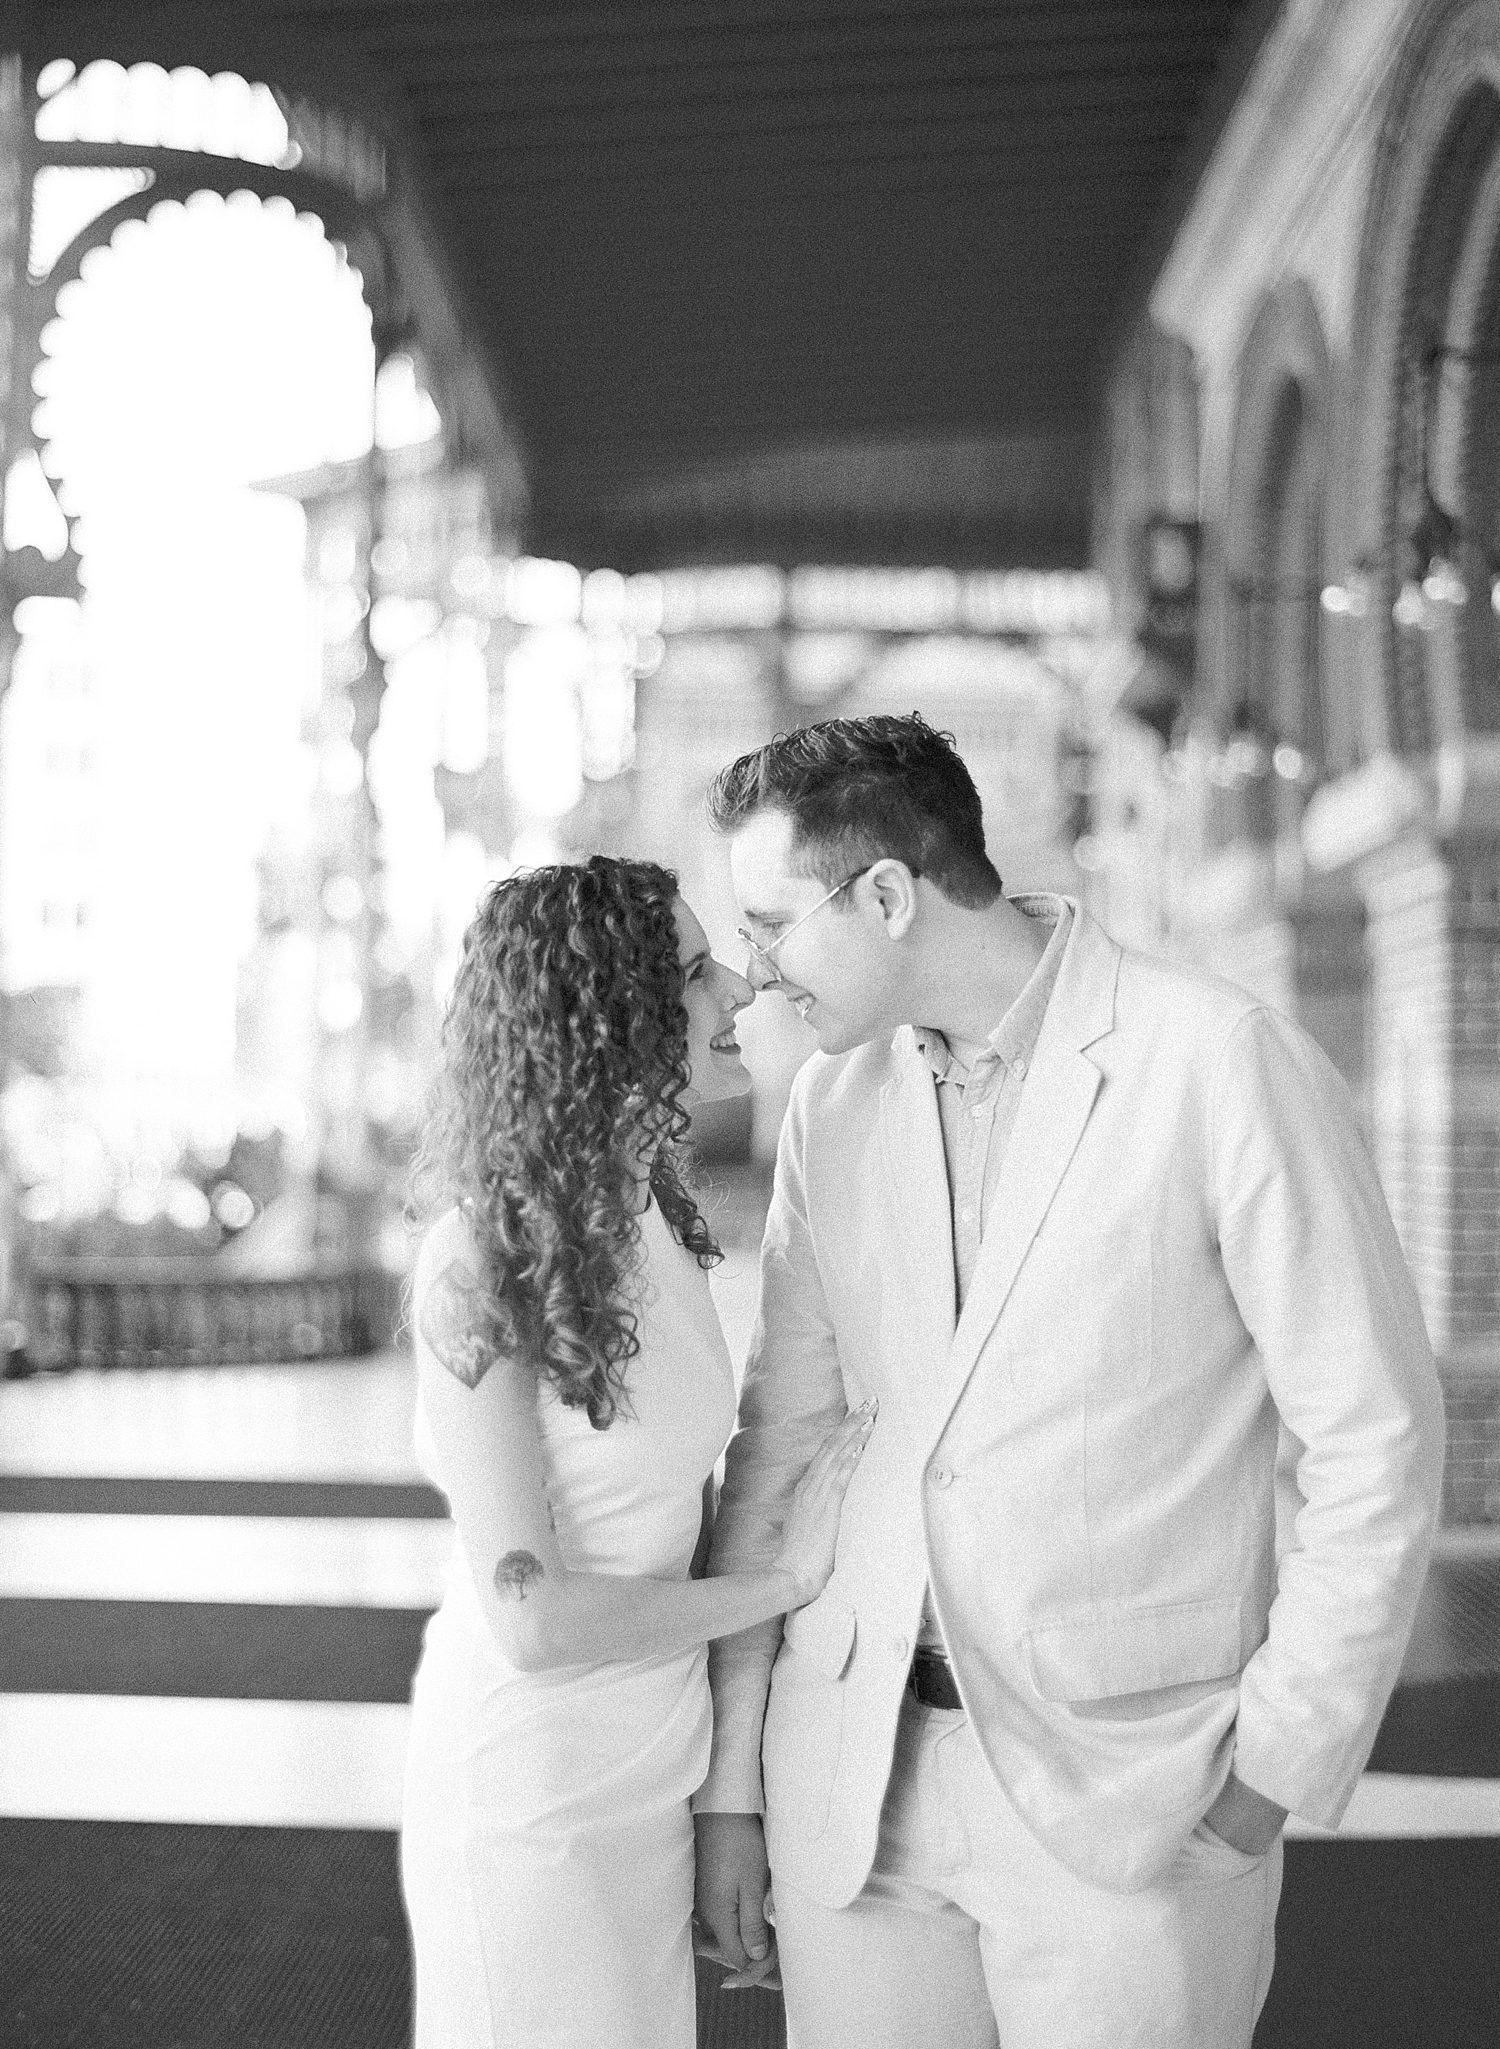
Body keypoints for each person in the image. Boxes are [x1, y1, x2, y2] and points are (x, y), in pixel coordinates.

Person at [692, 713, 1445, 2049]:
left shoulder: (1216, 1058)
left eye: (769, 923)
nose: (751, 972)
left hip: (1134, 1794)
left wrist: (1274, 1764)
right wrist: (735, 1780)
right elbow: (785, 1438)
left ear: (884, 892)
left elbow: (1374, 1435)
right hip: (858, 1779)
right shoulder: (832, 1104)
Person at [399, 856, 876, 2049]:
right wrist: (780, 1585)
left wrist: (726, 1802)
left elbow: (682, 1498)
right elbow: (536, 1619)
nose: (739, 992)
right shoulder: (476, 1259)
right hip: (533, 1794)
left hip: (650, 1773)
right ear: (602, 1013)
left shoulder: (653, 1217)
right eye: (692, 971)